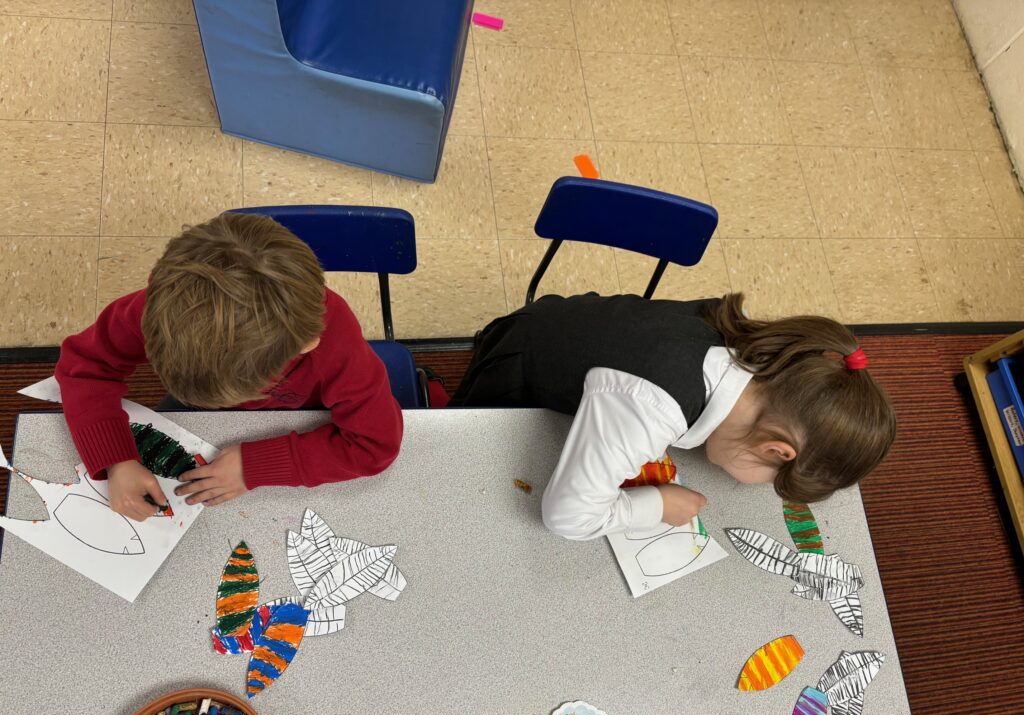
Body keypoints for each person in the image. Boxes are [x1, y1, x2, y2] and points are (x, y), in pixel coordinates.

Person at [451, 293, 895, 540]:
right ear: (775, 449)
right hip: (514, 370)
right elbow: (567, 517)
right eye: (770, 480)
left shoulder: (755, 350)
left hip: (555, 325)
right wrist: (656, 505)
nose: (757, 486)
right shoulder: (654, 406)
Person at [55, 213, 403, 521]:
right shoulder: (162, 307)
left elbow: (374, 445)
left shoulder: (333, 343)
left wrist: (254, 467)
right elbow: (84, 366)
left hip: (304, 419)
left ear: (306, 345)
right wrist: (115, 458)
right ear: (154, 281)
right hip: (198, 411)